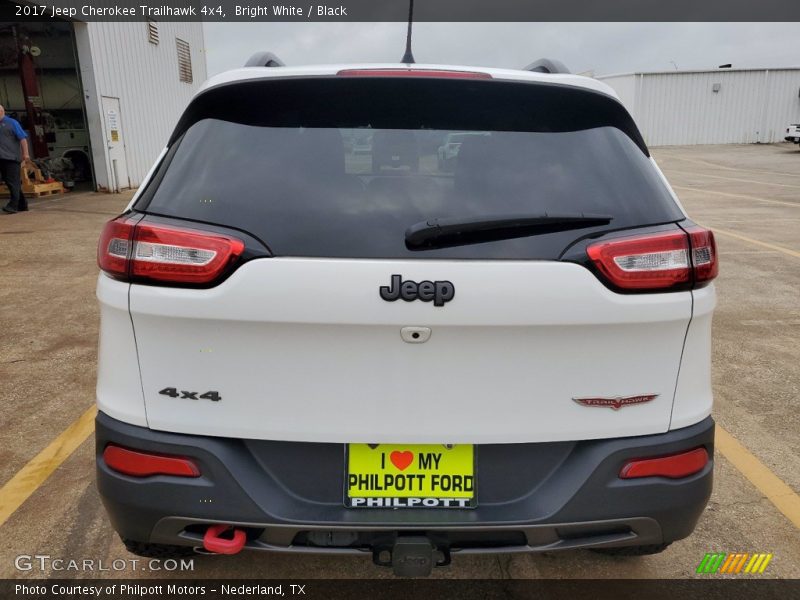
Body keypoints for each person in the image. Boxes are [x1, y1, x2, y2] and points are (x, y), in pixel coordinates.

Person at [0, 104, 31, 214]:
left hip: (12, 158)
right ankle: (22, 204)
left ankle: (13, 205)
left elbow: (22, 139)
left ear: (1, 112)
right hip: (2, 158)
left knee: (13, 182)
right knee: (10, 182)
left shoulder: (12, 123)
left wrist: (26, 154)